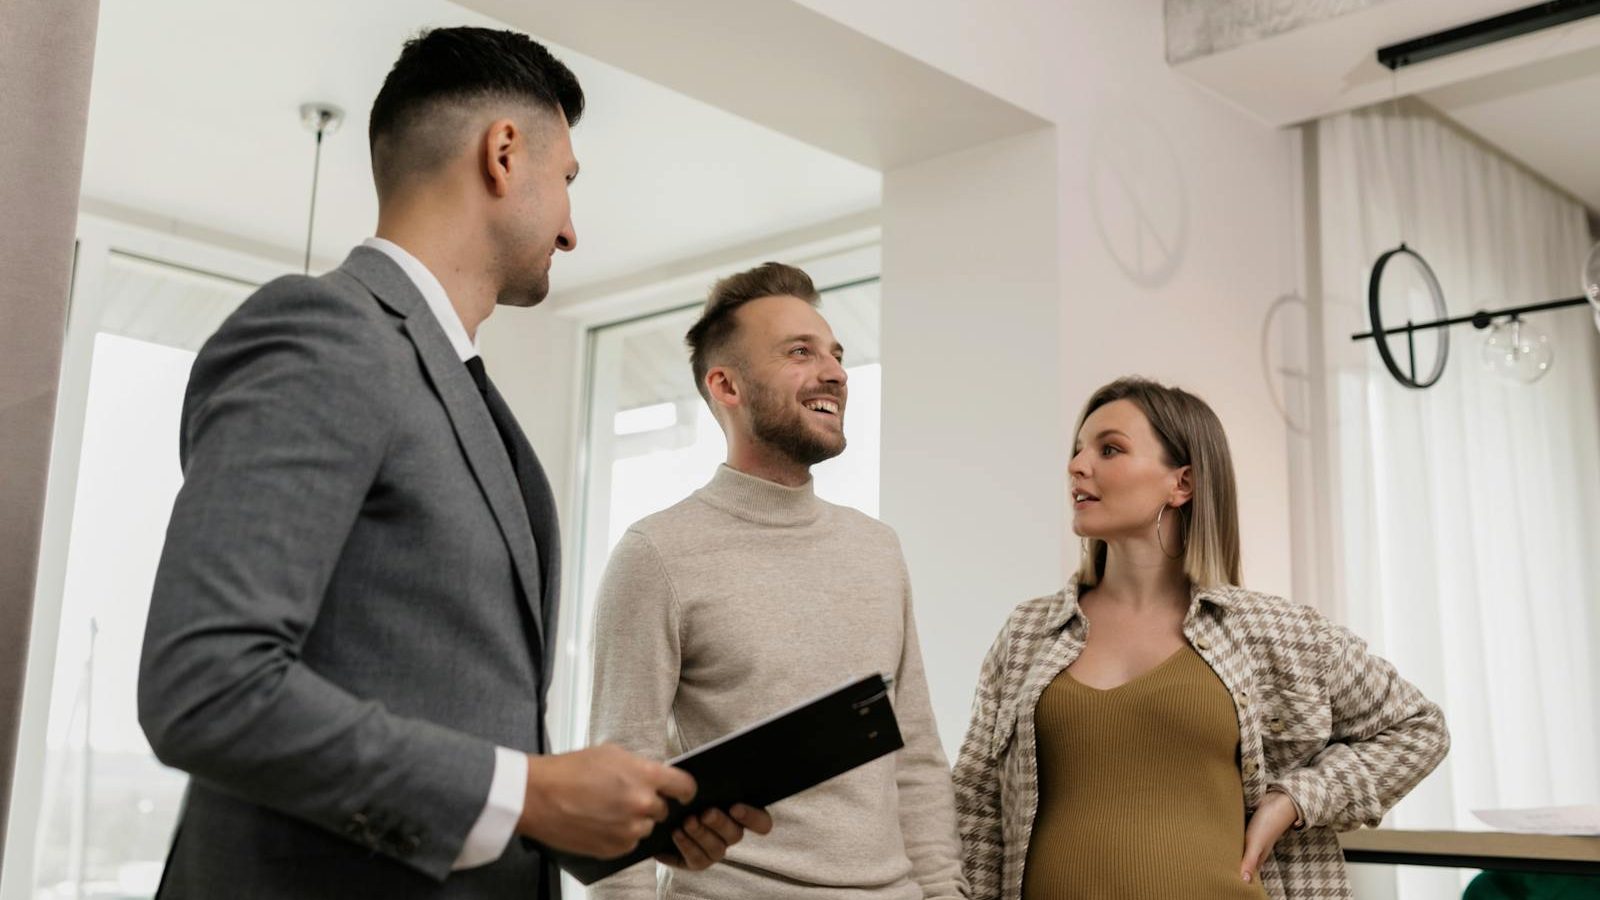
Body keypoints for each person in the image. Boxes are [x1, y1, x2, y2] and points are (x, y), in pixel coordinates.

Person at [137, 26, 765, 900]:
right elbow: (206, 686)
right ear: (503, 155)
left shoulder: (454, 383)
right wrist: (529, 793)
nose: (572, 230)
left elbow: (460, 720)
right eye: (568, 181)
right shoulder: (325, 333)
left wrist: (588, 826)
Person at [952, 376, 1449, 900]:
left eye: (1109, 449)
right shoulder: (1028, 633)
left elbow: (1418, 727)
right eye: (1078, 450)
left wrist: (1295, 799)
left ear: (1182, 483)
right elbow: (976, 805)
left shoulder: (1272, 632)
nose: (1077, 465)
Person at [586, 262, 967, 900]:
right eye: (800, 352)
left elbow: (917, 759)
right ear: (726, 385)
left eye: (836, 354)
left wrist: (945, 893)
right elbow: (621, 781)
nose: (835, 372)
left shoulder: (877, 549)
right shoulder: (656, 555)